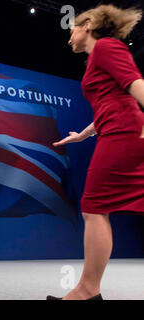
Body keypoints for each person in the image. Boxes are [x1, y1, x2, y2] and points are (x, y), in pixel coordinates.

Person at [47, 4, 144, 300]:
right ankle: (88, 290)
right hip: (115, 131)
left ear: (87, 24)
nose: (69, 38)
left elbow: (135, 84)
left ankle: (87, 291)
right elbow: (109, 102)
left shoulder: (106, 48)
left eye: (72, 29)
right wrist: (85, 135)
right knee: (95, 207)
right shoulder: (97, 58)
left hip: (124, 133)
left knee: (94, 207)